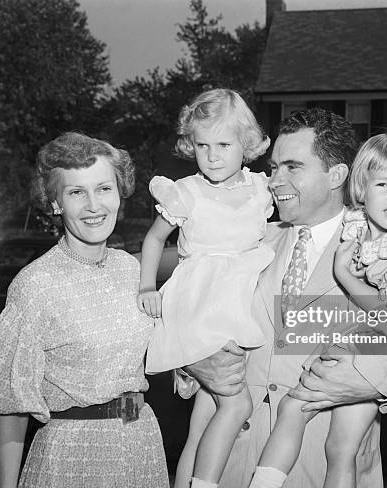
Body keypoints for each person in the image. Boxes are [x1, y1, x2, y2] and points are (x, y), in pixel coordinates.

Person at [176, 108, 387, 488]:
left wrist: (374, 383)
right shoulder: (246, 241)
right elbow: (187, 315)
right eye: (274, 167)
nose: (275, 181)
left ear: (337, 175)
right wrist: (192, 364)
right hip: (230, 471)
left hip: (322, 472)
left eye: (293, 167)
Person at [0, 132, 169, 488]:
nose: (94, 205)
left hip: (141, 446)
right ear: (55, 203)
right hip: (71, 455)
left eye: (104, 188)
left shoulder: (134, 271)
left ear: (120, 193)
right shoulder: (36, 283)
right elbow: (11, 411)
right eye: (76, 192)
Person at [137, 88, 273, 488]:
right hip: (199, 306)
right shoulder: (187, 192)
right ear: (190, 145)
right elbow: (152, 239)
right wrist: (148, 286)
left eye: (224, 144)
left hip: (234, 307)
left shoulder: (260, 189)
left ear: (246, 145)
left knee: (203, 419)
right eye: (202, 145)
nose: (213, 156)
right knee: (237, 403)